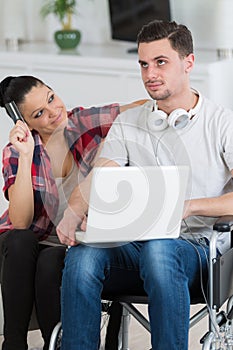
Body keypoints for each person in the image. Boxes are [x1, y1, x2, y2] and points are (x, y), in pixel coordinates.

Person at [57, 20, 233, 350]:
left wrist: (189, 207)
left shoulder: (222, 123)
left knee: (159, 249)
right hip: (133, 245)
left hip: (197, 252)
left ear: (189, 63)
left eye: (161, 62)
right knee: (82, 257)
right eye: (144, 64)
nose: (150, 73)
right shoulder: (128, 123)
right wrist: (72, 212)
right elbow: (99, 177)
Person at [0, 75, 146, 350]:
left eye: (51, 98)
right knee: (22, 240)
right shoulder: (16, 151)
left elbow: (138, 108)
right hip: (19, 248)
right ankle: (14, 344)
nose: (54, 112)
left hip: (65, 244)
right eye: (39, 114)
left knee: (51, 258)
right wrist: (27, 154)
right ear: (24, 122)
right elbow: (20, 222)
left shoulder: (81, 122)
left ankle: (54, 345)